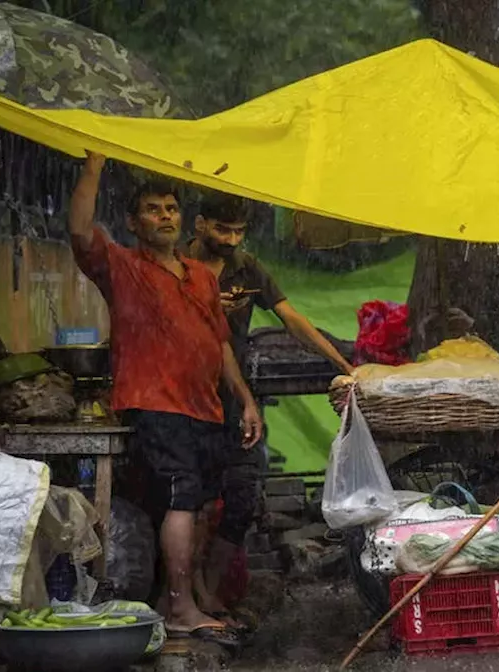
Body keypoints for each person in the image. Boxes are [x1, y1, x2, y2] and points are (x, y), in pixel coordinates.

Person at [69, 151, 262, 648]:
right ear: (134, 223)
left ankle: (182, 599)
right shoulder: (122, 265)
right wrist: (94, 166)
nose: (165, 216)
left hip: (205, 405)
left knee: (199, 505)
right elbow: (79, 232)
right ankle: (178, 608)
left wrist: (245, 399)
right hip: (155, 401)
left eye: (171, 208)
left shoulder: (201, 275)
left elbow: (219, 343)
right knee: (180, 499)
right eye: (153, 210)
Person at [184, 191, 354, 628]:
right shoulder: (178, 267)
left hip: (236, 399)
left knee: (241, 495)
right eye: (224, 229)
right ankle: (191, 596)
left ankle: (213, 592)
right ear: (200, 224)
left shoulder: (247, 267)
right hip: (183, 397)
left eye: (239, 231)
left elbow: (290, 317)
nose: (232, 238)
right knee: (193, 500)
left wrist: (340, 361)